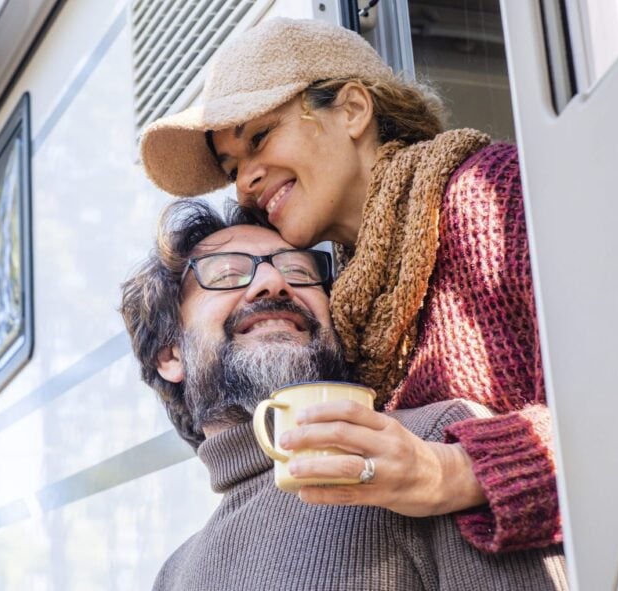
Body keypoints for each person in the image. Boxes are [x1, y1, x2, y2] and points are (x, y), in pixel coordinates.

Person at [138, 17, 557, 554]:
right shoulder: (348, 309)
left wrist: (451, 473)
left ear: (354, 109)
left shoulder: (493, 196)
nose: (243, 184)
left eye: (259, 138)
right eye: (232, 167)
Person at [119, 199, 566, 590]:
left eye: (299, 271)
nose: (273, 283)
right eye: (227, 273)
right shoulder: (172, 576)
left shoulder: (435, 445)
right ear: (169, 355)